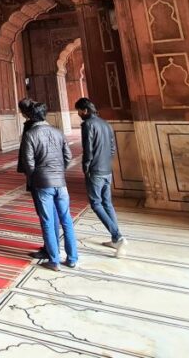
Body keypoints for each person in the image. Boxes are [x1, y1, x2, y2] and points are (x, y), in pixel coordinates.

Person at [20, 101, 78, 271]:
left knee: (47, 220)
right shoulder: (58, 132)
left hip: (42, 182)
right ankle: (73, 257)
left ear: (31, 116)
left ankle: (54, 260)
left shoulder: (31, 134)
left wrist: (35, 177)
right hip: (60, 182)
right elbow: (68, 157)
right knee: (66, 220)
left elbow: (28, 163)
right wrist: (59, 172)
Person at [77, 97, 127, 257]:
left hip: (96, 170)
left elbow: (88, 149)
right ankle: (115, 237)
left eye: (79, 110)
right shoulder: (106, 124)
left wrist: (86, 166)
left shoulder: (88, 125)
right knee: (107, 202)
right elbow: (112, 148)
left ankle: (118, 236)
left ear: (84, 110)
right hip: (107, 169)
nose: (78, 114)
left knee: (96, 203)